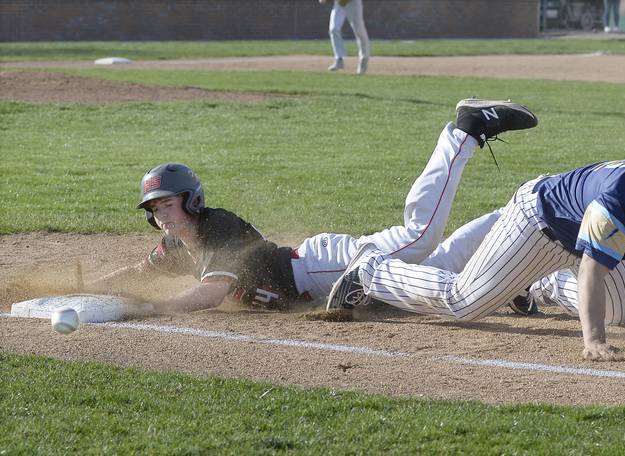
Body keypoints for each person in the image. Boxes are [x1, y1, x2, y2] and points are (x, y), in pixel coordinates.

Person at [327, 138, 625, 361]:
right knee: (463, 302)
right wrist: (593, 341)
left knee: (620, 312)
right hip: (541, 221)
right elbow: (594, 268)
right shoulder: (621, 198)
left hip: (590, 244)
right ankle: (372, 271)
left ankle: (535, 285)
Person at [85, 99, 538, 313]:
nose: (160, 212)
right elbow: (141, 272)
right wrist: (91, 289)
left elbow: (209, 295)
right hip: (325, 277)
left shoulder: (216, 228)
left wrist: (147, 308)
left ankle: (464, 130)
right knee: (445, 268)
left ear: (191, 200)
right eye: (153, 207)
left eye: (167, 203)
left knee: (420, 236)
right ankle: (520, 214)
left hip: (321, 269)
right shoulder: (177, 245)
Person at [319, 0, 370, 74]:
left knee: (359, 31)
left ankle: (364, 59)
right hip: (339, 3)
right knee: (333, 29)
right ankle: (339, 59)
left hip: (353, 3)